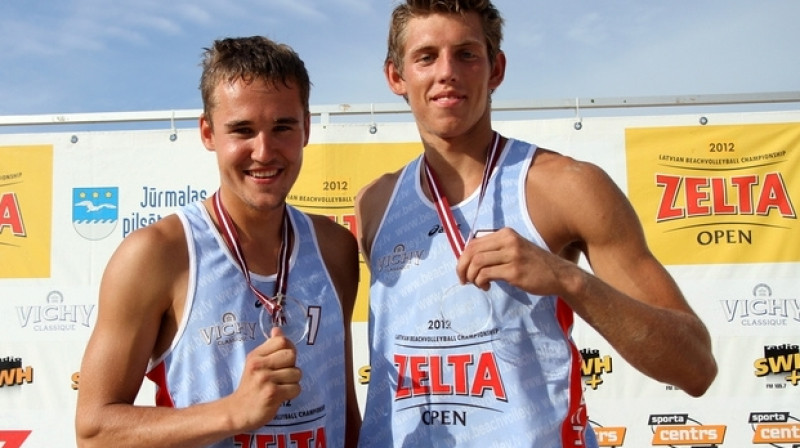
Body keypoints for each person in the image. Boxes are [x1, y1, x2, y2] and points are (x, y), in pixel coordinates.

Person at [354, 1, 717, 446]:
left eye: (466, 54)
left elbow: (695, 366)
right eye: (426, 56)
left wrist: (568, 279)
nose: (446, 72)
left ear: (496, 69)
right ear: (396, 76)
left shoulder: (566, 187)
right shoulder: (376, 202)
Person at [76, 36, 361, 448]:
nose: (264, 151)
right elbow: (94, 430)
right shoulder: (158, 254)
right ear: (208, 132)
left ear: (306, 129)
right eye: (242, 130)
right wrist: (233, 412)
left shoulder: (334, 246)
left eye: (283, 127)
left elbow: (343, 407)